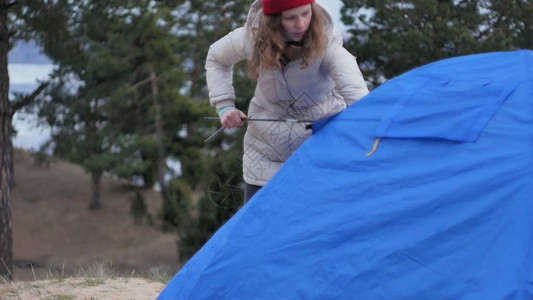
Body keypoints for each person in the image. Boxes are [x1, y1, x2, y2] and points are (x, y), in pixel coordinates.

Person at [206, 0, 369, 202]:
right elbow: (217, 58)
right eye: (290, 17)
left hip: (321, 151)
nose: (301, 24)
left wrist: (369, 137)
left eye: (305, 13)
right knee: (260, 230)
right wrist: (224, 105)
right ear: (273, 20)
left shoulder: (328, 44)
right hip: (264, 156)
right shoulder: (253, 37)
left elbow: (359, 100)